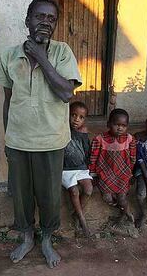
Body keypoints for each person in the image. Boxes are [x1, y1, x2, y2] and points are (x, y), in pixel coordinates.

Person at [0, 0, 82, 268]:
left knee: (49, 196)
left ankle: (46, 240)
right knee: (20, 195)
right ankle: (27, 237)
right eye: (39, 16)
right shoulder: (9, 56)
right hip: (19, 141)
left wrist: (42, 58)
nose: (45, 22)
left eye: (51, 18)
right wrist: (8, 139)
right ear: (27, 21)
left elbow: (67, 92)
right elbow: (9, 99)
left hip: (51, 141)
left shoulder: (62, 52)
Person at [89, 108, 136, 227]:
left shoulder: (130, 139)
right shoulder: (99, 139)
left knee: (122, 198)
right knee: (107, 197)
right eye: (116, 124)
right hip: (105, 174)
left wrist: (131, 173)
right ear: (108, 124)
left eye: (123, 125)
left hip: (123, 174)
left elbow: (133, 158)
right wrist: (93, 174)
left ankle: (124, 214)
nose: (120, 128)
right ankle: (123, 209)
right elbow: (93, 158)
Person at [62, 101, 92, 237]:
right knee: (74, 191)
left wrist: (89, 166)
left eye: (81, 117)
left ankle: (77, 213)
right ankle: (82, 219)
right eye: (73, 115)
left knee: (88, 189)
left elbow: (86, 150)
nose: (76, 119)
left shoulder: (83, 132)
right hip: (65, 169)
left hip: (80, 167)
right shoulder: (62, 129)